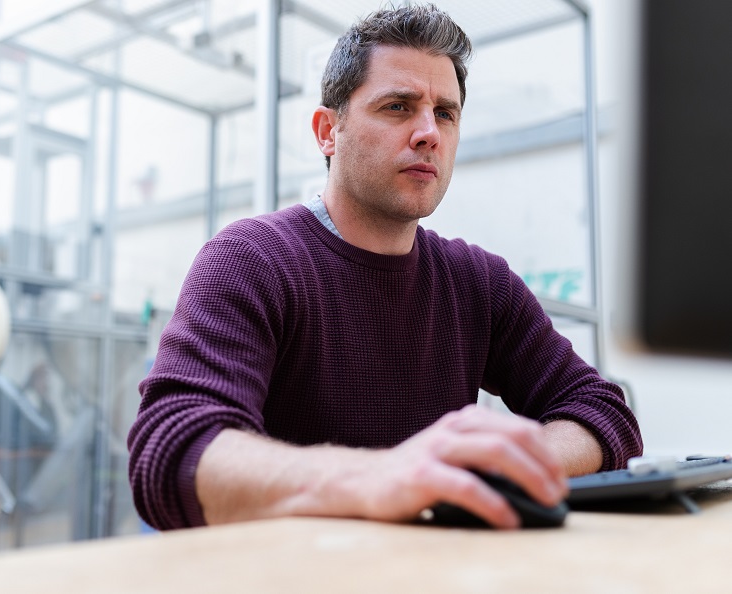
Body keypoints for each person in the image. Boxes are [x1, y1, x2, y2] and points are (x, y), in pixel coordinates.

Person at [128, 4, 643, 531]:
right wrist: (381, 476)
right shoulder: (252, 261)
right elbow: (172, 453)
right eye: (398, 107)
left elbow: (603, 411)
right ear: (328, 131)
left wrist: (497, 463)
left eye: (445, 113)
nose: (429, 133)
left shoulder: (478, 283)